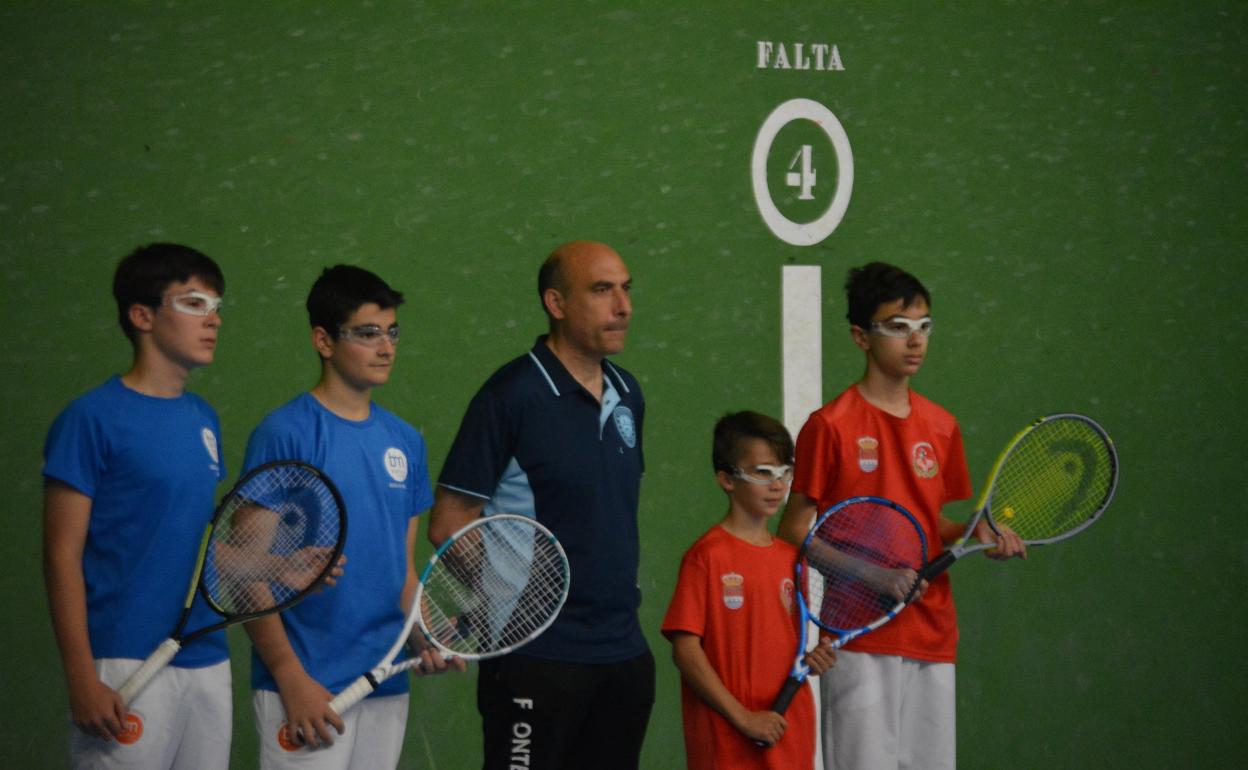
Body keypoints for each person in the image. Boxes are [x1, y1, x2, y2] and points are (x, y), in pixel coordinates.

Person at [777, 262, 1026, 770]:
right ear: (860, 337)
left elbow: (931, 527)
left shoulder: (942, 426)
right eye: (896, 326)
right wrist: (874, 575)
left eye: (923, 327)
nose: (914, 341)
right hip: (860, 639)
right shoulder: (830, 426)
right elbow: (794, 532)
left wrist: (975, 529)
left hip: (933, 636)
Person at [430, 240, 653, 770]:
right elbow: (450, 522)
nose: (623, 306)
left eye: (626, 289)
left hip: (623, 655)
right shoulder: (510, 397)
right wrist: (510, 599)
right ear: (556, 304)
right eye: (602, 291)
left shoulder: (629, 394)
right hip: (535, 658)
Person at [241, 265, 458, 770]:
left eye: (392, 332)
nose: (386, 347)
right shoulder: (284, 434)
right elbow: (244, 572)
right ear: (323, 340)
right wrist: (289, 676)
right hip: (307, 685)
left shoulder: (406, 440)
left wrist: (424, 634)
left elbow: (401, 573)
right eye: (367, 333)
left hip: (385, 682)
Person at [43, 243, 231, 769]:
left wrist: (281, 566)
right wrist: (81, 676)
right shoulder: (90, 419)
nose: (212, 319)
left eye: (216, 307)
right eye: (194, 303)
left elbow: (192, 545)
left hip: (206, 660)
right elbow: (61, 554)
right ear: (142, 315)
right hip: (123, 661)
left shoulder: (204, 419)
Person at [662, 411, 837, 770]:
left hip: (788, 735)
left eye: (784, 473)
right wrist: (743, 718)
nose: (777, 485)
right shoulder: (705, 557)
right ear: (726, 479)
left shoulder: (792, 560)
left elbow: (790, 646)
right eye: (762, 473)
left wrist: (816, 657)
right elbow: (686, 652)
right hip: (727, 742)